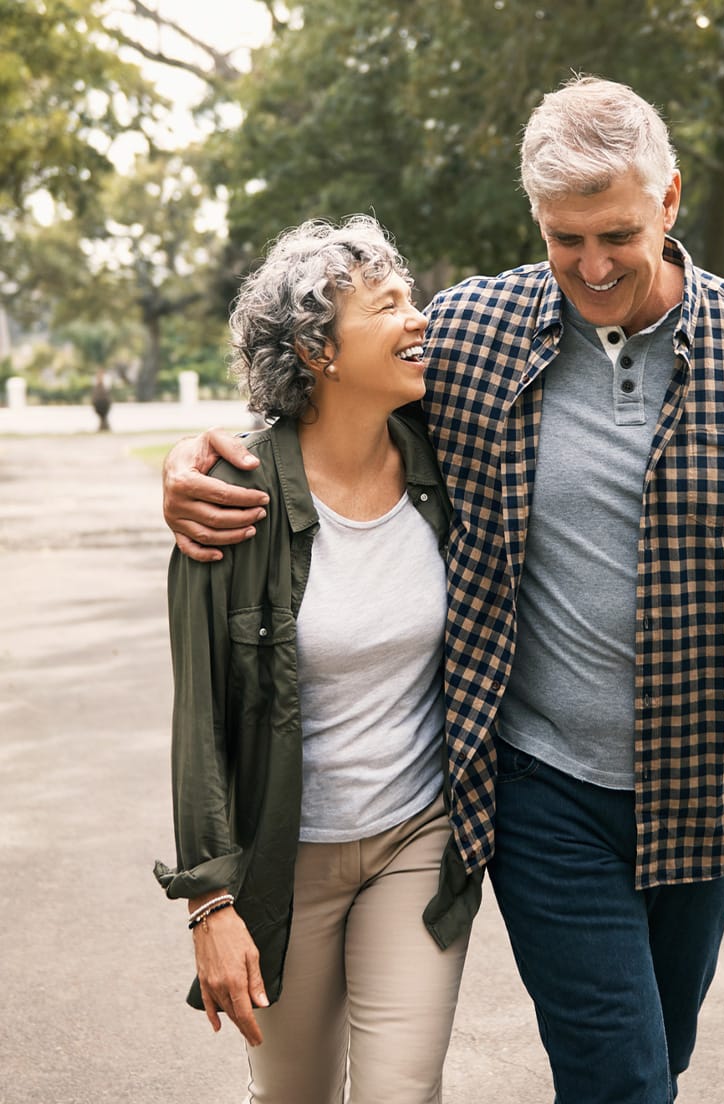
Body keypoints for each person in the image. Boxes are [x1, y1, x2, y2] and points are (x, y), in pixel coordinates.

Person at [161, 78, 724, 1104]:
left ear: (670, 200)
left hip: (699, 788)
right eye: (565, 239)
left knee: (659, 1055)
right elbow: (334, 412)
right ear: (536, 224)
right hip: (537, 785)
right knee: (620, 1080)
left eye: (618, 235)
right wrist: (202, 460)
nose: (593, 267)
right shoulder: (473, 333)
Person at [154, 215, 481, 1104]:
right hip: (283, 859)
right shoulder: (233, 500)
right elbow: (202, 723)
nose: (421, 319)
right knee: (293, 1094)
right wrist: (210, 904)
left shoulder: (448, 466)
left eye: (412, 298)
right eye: (389, 305)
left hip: (420, 837)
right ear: (318, 350)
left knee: (400, 1092)